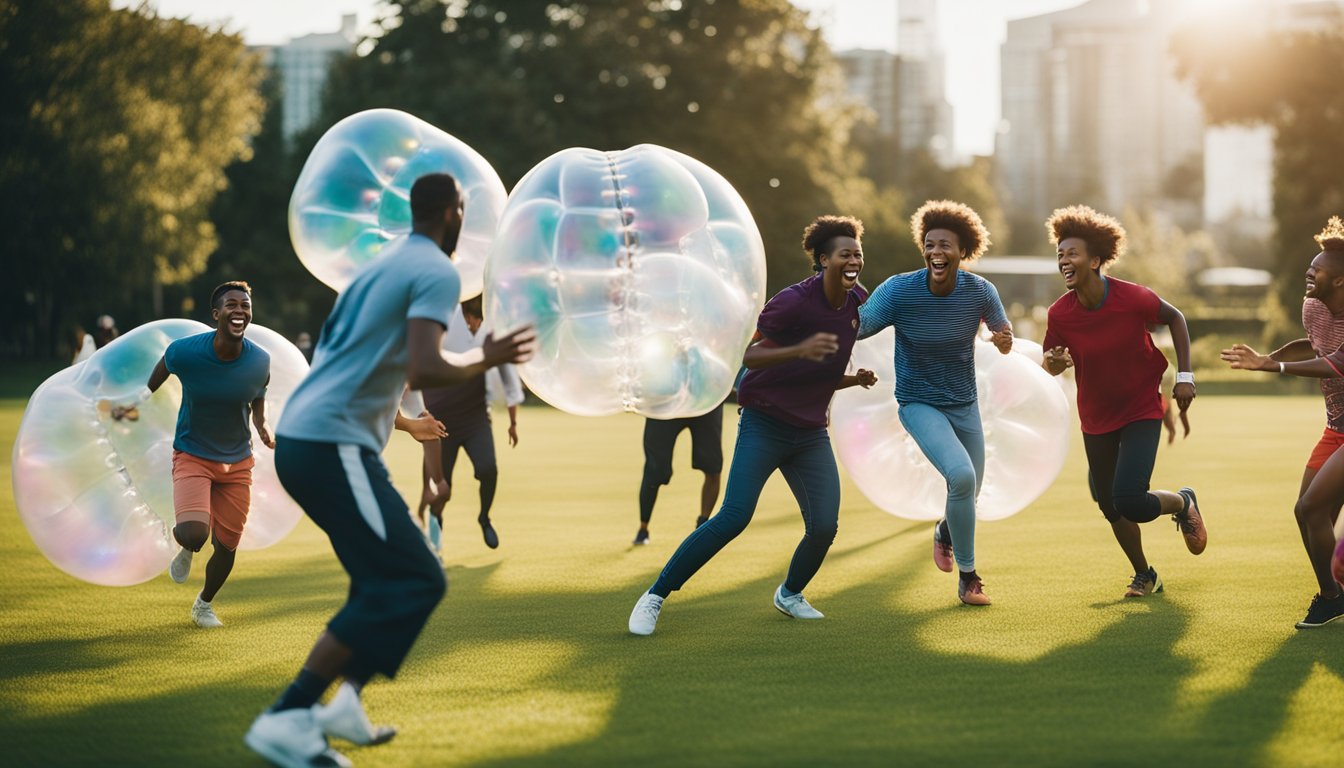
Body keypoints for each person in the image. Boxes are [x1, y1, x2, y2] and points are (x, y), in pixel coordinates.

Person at [243, 173, 534, 767]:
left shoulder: (379, 266)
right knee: (420, 578)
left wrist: (403, 421)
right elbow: (424, 366)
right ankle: (287, 716)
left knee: (379, 582)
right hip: (331, 444)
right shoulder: (434, 270)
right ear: (453, 213)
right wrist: (488, 357)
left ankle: (345, 699)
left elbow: (369, 358)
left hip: (318, 437)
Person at [628, 214, 876, 636]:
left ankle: (790, 594)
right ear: (822, 259)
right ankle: (655, 595)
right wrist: (801, 347)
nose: (853, 260)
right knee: (734, 516)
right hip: (765, 422)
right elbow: (751, 356)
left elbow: (821, 371)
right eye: (844, 254)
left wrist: (855, 379)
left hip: (811, 431)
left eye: (858, 253)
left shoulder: (857, 303)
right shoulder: (793, 302)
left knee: (824, 527)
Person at [1039, 205, 1205, 601]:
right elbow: (1050, 361)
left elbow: (1176, 318)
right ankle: (1144, 574)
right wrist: (1054, 362)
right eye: (1060, 254)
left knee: (1129, 498)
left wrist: (1185, 375)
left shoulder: (1133, 298)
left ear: (1096, 260)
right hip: (1095, 417)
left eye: (1072, 253)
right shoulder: (1059, 314)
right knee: (1109, 505)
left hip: (1140, 408)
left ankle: (1183, 503)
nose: (1064, 260)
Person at [856, 200, 1012, 607]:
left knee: (969, 490)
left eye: (945, 244)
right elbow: (858, 326)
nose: (936, 252)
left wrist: (1004, 339)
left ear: (963, 251)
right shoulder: (898, 290)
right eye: (929, 244)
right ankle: (969, 577)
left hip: (964, 403)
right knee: (960, 476)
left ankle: (945, 531)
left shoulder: (980, 291)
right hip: (918, 402)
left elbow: (1003, 332)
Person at [113, 281, 273, 628]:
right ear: (216, 314)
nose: (240, 311)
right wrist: (136, 401)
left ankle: (203, 604)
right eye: (231, 305)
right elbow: (164, 366)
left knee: (227, 546)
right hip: (193, 455)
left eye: (245, 306)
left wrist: (262, 425)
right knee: (195, 533)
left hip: (238, 462)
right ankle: (185, 545)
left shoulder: (260, 360)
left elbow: (257, 394)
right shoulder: (186, 351)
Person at [1220, 215, 1344, 628]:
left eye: (1317, 270)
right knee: (1304, 512)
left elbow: (1336, 362)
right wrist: (1269, 358)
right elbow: (1314, 344)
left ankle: (1331, 596)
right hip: (1336, 427)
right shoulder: (1314, 307)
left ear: (1340, 280)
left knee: (1312, 507)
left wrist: (1273, 369)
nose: (1309, 273)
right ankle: (1334, 594)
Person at [416, 295, 525, 555]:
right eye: (473, 319)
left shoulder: (491, 328)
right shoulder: (443, 317)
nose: (476, 325)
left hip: (474, 416)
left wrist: (512, 422)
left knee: (488, 469)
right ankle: (435, 542)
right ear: (465, 314)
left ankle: (484, 517)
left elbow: (509, 379)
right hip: (439, 419)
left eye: (480, 320)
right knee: (440, 487)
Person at [632, 407, 723, 546]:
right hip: (666, 400)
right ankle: (643, 528)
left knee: (713, 467)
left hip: (706, 402)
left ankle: (702, 529)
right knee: (655, 470)